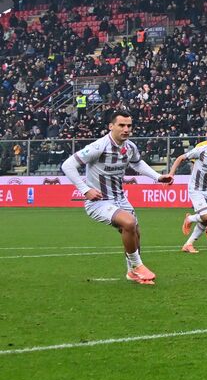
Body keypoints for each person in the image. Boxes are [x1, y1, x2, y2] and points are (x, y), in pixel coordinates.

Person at [60, 109, 175, 285]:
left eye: (129, 125)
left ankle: (132, 272)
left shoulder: (130, 147)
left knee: (135, 231)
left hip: (120, 198)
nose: (126, 129)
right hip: (98, 201)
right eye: (121, 125)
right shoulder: (98, 147)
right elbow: (68, 165)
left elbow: (137, 163)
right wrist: (85, 190)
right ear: (111, 126)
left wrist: (158, 177)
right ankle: (137, 265)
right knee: (128, 222)